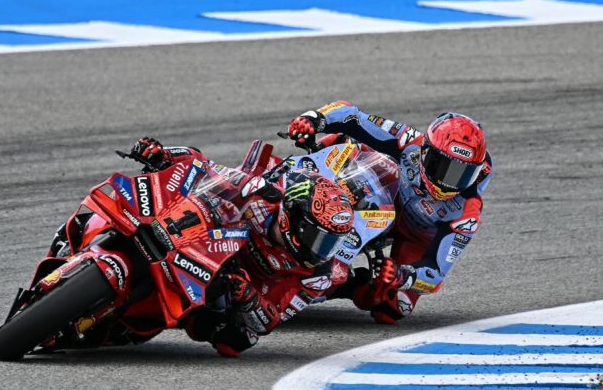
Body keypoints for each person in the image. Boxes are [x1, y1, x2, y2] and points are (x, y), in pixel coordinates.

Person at [129, 138, 354, 356]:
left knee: (238, 339)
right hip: (200, 236)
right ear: (294, 217)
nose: (324, 250)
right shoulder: (269, 195)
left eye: (333, 242)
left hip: (226, 279)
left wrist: (249, 297)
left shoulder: (317, 275)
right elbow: (205, 166)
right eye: (319, 237)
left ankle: (152, 314)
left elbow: (272, 319)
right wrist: (164, 155)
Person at [287, 100, 493, 324]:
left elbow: (435, 275)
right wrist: (314, 119)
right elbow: (354, 117)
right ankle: (289, 175)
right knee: (347, 141)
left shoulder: (467, 213)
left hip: (416, 238)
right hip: (384, 194)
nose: (448, 183)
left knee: (394, 306)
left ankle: (347, 285)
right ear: (426, 151)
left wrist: (403, 275)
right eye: (442, 166)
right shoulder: (410, 141)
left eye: (462, 174)